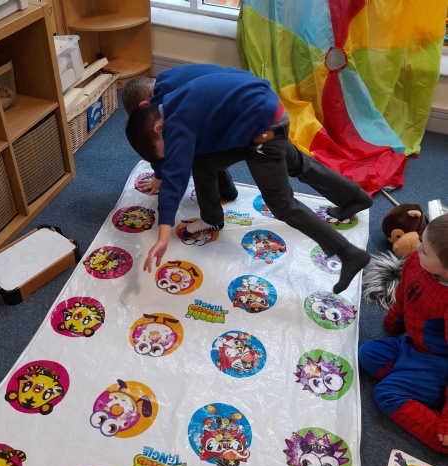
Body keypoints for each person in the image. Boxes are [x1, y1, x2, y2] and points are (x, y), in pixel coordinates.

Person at [125, 70, 372, 294]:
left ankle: (348, 253)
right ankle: (354, 197)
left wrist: (163, 235)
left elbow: (175, 179)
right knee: (211, 161)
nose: (172, 154)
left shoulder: (176, 125)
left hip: (262, 130)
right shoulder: (170, 96)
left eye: (166, 150)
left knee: (281, 204)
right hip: (261, 109)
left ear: (159, 128)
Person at [359, 214, 448, 453]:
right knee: (366, 354)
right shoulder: (416, 261)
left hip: (440, 365)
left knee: (385, 394)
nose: (416, 248)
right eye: (421, 240)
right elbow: (404, 294)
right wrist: (393, 322)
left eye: (425, 250)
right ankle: (411, 381)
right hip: (413, 346)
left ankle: (441, 438)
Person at [122, 64, 253, 200]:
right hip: (247, 87)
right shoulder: (166, 78)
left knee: (197, 157)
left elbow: (156, 144)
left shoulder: (165, 102)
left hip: (241, 118)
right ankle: (227, 190)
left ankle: (216, 200)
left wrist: (159, 177)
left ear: (145, 105)